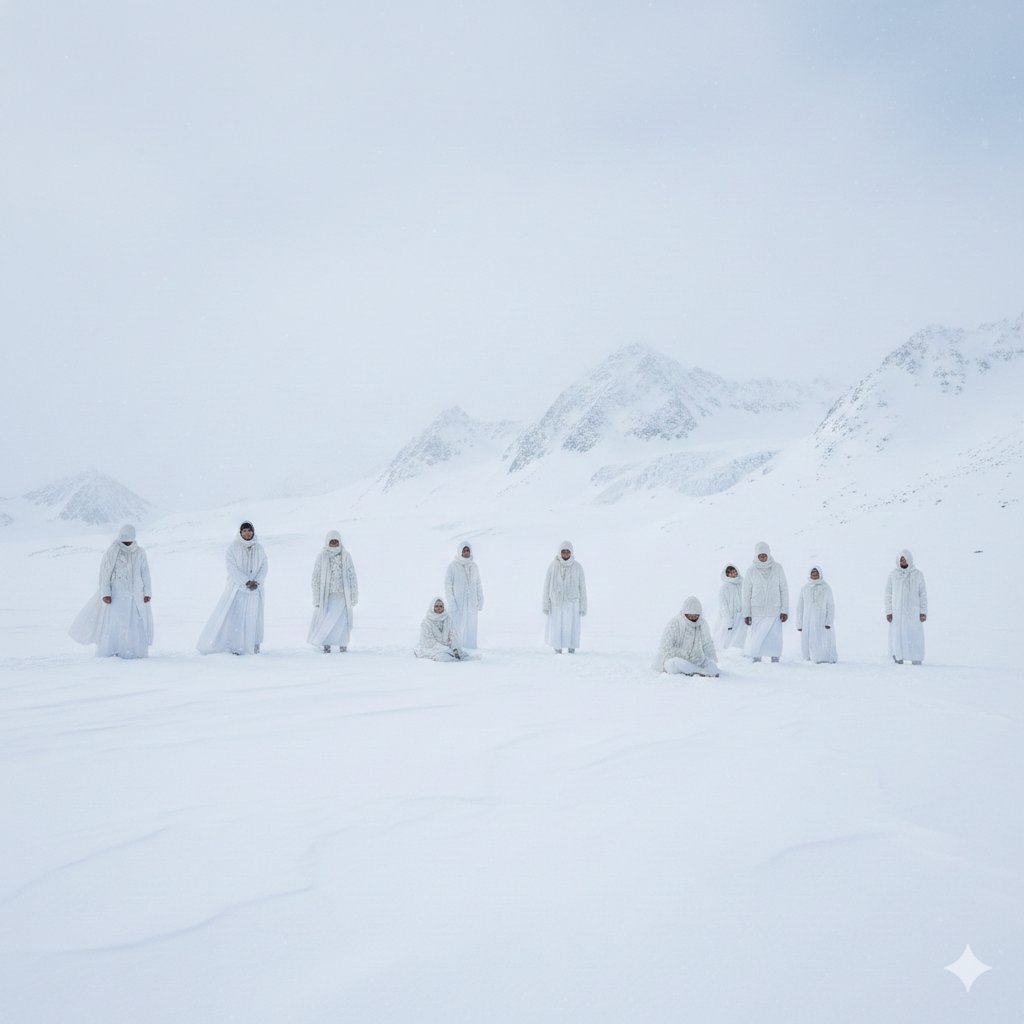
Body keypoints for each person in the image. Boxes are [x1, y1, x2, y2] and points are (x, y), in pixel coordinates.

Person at [69, 524, 153, 658]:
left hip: (135, 596)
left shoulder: (140, 552)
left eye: (129, 541)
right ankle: (114, 650)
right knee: (115, 623)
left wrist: (147, 592)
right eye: (125, 541)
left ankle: (134, 652)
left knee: (134, 623)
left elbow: (145, 573)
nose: (127, 543)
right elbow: (105, 573)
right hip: (117, 595)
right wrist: (105, 593)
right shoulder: (113, 551)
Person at [197, 521, 268, 655]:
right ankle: (236, 647)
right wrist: (245, 582)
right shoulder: (233, 548)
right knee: (236, 619)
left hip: (255, 591)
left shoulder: (259, 548)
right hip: (237, 591)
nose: (247, 533)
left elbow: (264, 566)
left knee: (253, 619)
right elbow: (231, 568)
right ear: (240, 533)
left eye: (249, 530)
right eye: (244, 531)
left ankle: (252, 645)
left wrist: (257, 582)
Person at [308, 531, 358, 653]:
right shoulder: (322, 556)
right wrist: (316, 598)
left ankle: (343, 645)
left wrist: (353, 595)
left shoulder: (346, 556)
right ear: (327, 542)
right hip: (327, 596)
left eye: (336, 541)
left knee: (342, 622)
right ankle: (326, 644)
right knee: (327, 621)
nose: (334, 543)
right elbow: (316, 577)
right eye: (332, 541)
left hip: (342, 596)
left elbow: (352, 576)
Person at [742, 541, 789, 662]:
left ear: (768, 554)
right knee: (757, 637)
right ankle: (756, 659)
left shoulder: (778, 568)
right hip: (757, 611)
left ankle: (775, 658)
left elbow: (784, 589)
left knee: (775, 637)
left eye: (764, 555)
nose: (762, 557)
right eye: (760, 555)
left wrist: (784, 610)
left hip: (774, 610)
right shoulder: (751, 570)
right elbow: (746, 593)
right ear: (756, 555)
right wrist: (747, 613)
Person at [653, 596, 720, 676]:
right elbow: (666, 648)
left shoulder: (702, 624)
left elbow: (708, 644)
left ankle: (695, 671)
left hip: (696, 661)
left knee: (713, 667)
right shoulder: (675, 623)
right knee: (671, 665)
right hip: (678, 660)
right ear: (685, 613)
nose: (693, 618)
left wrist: (713, 660)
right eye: (690, 615)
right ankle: (699, 672)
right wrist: (684, 654)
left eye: (696, 616)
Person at [542, 540, 587, 653]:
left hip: (572, 604)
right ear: (559, 552)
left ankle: (571, 649)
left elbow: (583, 588)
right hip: (556, 603)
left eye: (568, 552)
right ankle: (558, 650)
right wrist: (546, 604)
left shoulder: (578, 567)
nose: (566, 554)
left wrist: (583, 606)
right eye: (563, 552)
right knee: (557, 627)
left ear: (571, 553)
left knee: (571, 627)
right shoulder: (552, 566)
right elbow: (546, 586)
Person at [885, 549, 927, 664]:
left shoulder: (918, 574)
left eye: (905, 559)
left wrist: (923, 612)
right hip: (898, 614)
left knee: (914, 636)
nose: (903, 562)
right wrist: (889, 611)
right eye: (901, 560)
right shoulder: (893, 575)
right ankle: (898, 659)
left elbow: (923, 594)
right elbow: (888, 594)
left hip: (913, 613)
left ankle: (916, 659)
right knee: (898, 637)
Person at [444, 541, 484, 649]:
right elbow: (448, 585)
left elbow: (478, 584)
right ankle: (457, 648)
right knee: (457, 627)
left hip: (471, 604)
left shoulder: (474, 566)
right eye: (464, 550)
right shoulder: (452, 566)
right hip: (458, 604)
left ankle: (470, 649)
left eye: (468, 550)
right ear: (460, 551)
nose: (466, 552)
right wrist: (451, 602)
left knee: (471, 627)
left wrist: (480, 600)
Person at [795, 565, 837, 663]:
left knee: (823, 639)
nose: (814, 575)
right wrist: (799, 623)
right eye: (812, 574)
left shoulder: (826, 588)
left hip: (822, 620)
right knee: (810, 639)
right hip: (808, 621)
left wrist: (829, 621)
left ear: (820, 574)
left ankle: (824, 658)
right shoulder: (805, 588)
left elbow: (830, 605)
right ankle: (810, 657)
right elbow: (800, 607)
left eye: (816, 574)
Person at [414, 597, 465, 661]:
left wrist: (454, 648)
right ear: (432, 607)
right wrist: (446, 649)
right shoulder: (426, 622)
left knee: (463, 655)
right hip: (433, 649)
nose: (439, 608)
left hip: (448, 648)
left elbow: (453, 635)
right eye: (436, 606)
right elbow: (429, 641)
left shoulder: (448, 619)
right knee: (445, 658)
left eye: (441, 606)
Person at [714, 563, 747, 650]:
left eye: (734, 571)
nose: (733, 574)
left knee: (741, 636)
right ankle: (724, 651)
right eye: (730, 573)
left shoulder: (743, 583)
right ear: (727, 574)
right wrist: (727, 618)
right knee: (727, 635)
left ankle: (739, 651)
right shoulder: (725, 587)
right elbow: (723, 605)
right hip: (730, 616)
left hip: (742, 615)